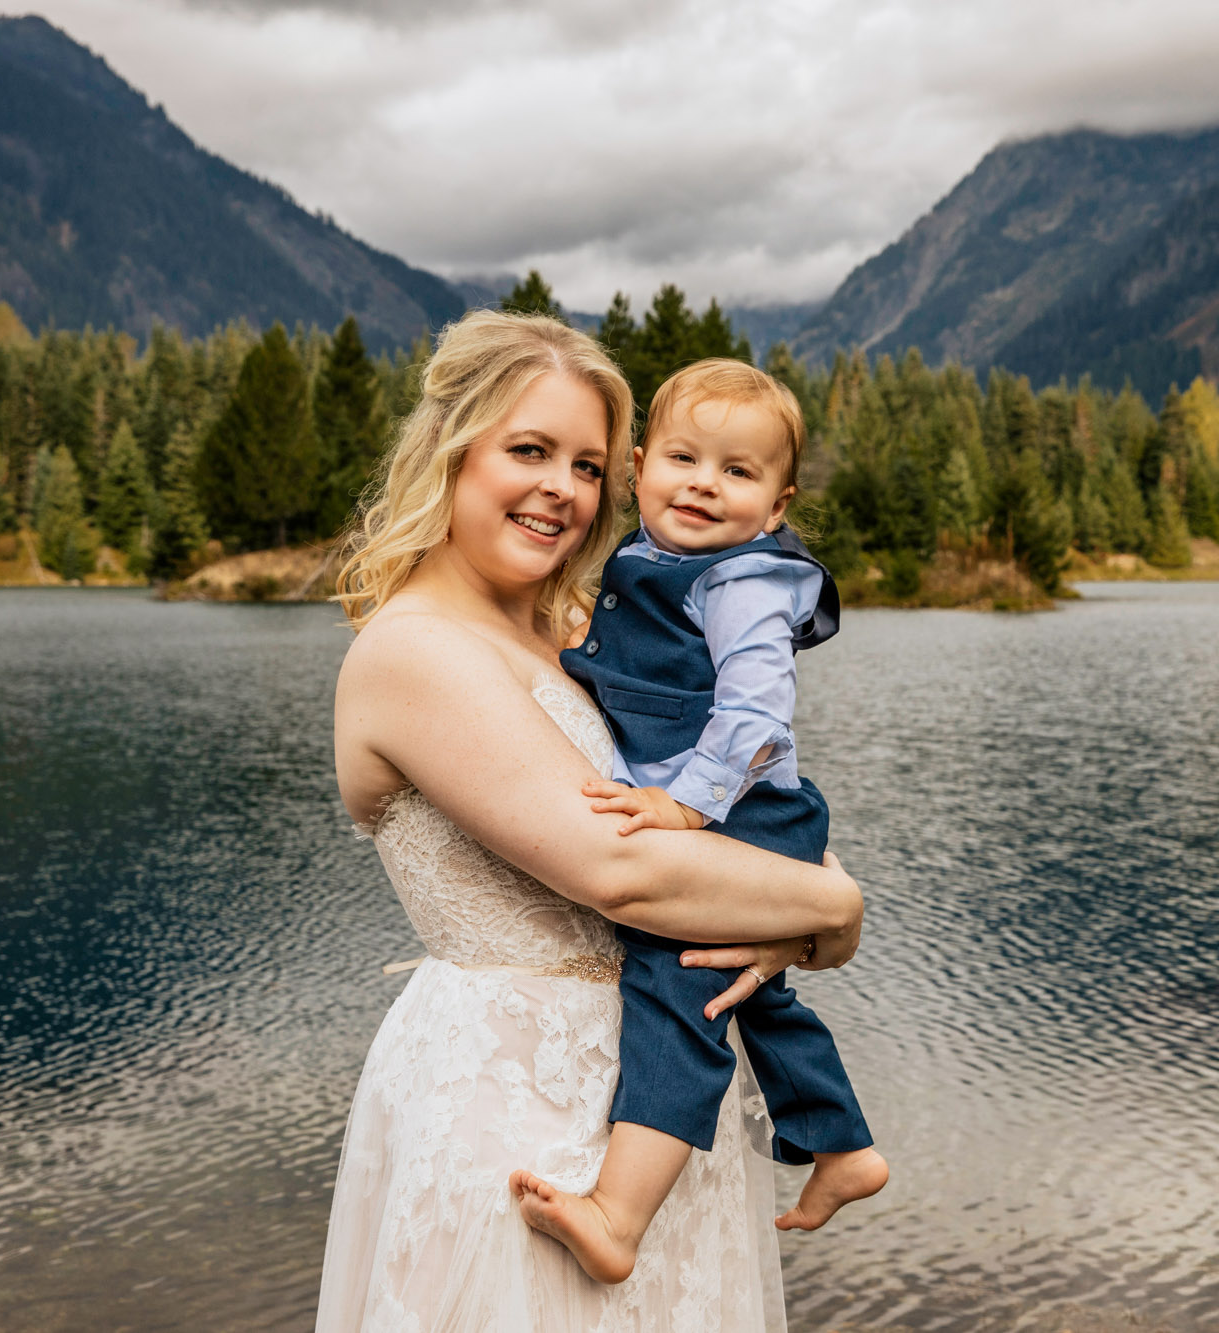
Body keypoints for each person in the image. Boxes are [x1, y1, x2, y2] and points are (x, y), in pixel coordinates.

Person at [315, 311, 864, 1332]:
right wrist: (834, 905)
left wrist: (799, 908)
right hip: (512, 1117)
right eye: (528, 449)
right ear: (451, 450)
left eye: (586, 464)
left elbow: (739, 817)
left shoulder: (572, 632)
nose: (561, 489)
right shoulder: (415, 651)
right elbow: (625, 873)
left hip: (656, 1107)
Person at [510, 360, 887, 1284]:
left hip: (740, 810)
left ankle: (619, 1213)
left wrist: (687, 806)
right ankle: (840, 1145)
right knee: (742, 991)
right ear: (641, 466)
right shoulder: (648, 563)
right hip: (724, 811)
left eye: (737, 471)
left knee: (677, 988)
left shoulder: (744, 580)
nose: (704, 484)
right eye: (684, 457)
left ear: (777, 503)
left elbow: (756, 718)